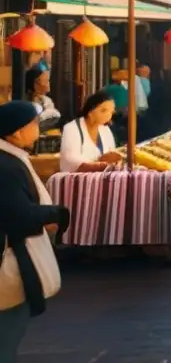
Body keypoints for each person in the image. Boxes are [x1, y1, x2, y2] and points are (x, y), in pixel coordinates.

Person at [0, 100, 69, 359]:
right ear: (16, 132)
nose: (38, 128)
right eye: (34, 123)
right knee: (6, 336)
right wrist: (55, 214)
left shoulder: (12, 158)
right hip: (9, 264)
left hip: (16, 259)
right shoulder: (6, 166)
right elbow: (18, 215)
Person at [59, 91, 121, 173]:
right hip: (75, 180)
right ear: (90, 112)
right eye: (103, 110)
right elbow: (71, 161)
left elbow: (111, 155)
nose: (108, 115)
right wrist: (100, 165)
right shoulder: (71, 128)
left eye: (111, 111)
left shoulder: (105, 130)